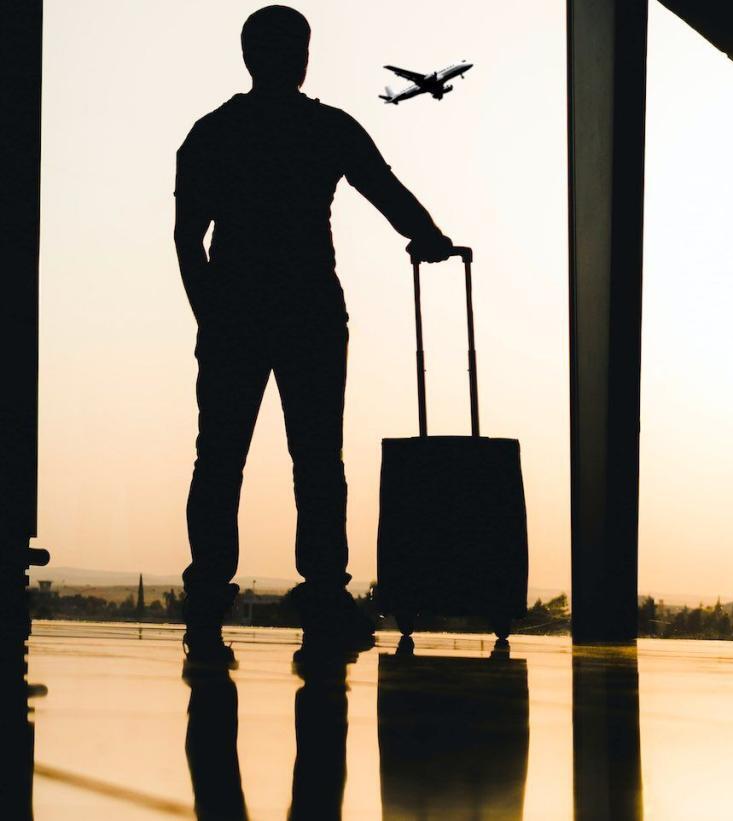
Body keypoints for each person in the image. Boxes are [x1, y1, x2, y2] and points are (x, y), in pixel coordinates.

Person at [174, 5, 454, 667]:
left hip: (236, 309)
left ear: (249, 58)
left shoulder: (214, 133)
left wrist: (209, 313)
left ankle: (208, 594)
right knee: (319, 462)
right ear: (302, 57)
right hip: (309, 310)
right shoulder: (325, 128)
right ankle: (324, 593)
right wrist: (430, 236)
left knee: (219, 460)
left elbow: (189, 237)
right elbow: (383, 189)